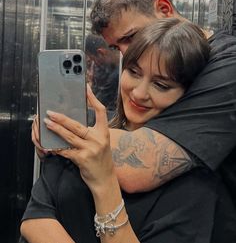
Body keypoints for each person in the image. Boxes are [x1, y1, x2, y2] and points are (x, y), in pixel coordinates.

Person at [20, 19, 235, 243]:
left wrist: (104, 183)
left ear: (187, 94)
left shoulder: (195, 186)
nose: (139, 93)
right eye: (133, 72)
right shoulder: (87, 126)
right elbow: (35, 217)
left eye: (161, 85)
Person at [85, 34, 119, 111]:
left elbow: (95, 103)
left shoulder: (115, 75)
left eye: (93, 59)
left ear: (101, 53)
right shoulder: (108, 68)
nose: (95, 63)